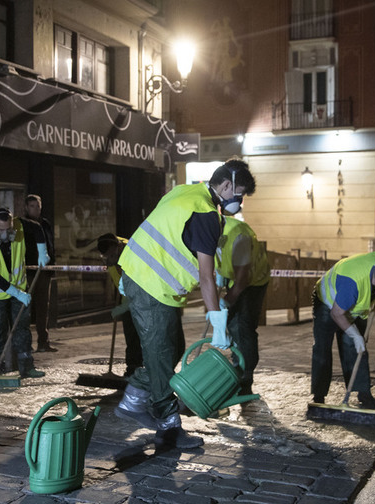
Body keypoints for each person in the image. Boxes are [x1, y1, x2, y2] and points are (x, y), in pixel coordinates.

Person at [115, 159, 256, 448]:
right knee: (163, 355)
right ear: (226, 186)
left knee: (172, 350)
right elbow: (206, 277)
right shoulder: (206, 214)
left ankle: (133, 400)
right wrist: (218, 324)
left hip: (142, 278)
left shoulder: (183, 193)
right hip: (152, 287)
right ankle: (168, 428)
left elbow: (157, 227)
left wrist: (128, 273)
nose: (239, 202)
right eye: (239, 194)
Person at [311, 252, 375, 410]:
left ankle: (363, 393)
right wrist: (355, 335)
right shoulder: (351, 284)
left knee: (357, 348)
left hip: (355, 309)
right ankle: (318, 396)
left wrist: (357, 337)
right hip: (328, 304)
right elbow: (336, 313)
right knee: (322, 347)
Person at [0, 207, 45, 380]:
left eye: (8, 229)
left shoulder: (20, 226)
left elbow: (38, 228)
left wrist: (42, 251)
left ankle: (26, 367)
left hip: (20, 287)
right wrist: (17, 294)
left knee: (21, 326)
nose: (5, 234)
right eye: (0, 230)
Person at [215, 215, 269, 396]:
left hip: (254, 281)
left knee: (242, 326)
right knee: (233, 324)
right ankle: (238, 366)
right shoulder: (210, 230)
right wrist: (220, 271)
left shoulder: (239, 236)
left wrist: (225, 301)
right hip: (235, 277)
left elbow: (242, 281)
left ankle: (245, 376)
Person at [96, 233, 143, 376]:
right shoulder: (111, 257)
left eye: (109, 256)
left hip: (145, 299)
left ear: (117, 249)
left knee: (145, 337)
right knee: (131, 336)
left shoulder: (134, 252)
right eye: (104, 257)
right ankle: (133, 369)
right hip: (127, 299)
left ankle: (147, 371)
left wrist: (124, 305)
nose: (107, 261)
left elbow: (139, 285)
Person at [19, 193, 56, 353]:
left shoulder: (45, 224)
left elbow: (50, 245)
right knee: (25, 307)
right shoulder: (22, 224)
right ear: (27, 207)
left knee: (43, 308)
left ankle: (43, 342)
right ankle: (25, 344)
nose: (36, 209)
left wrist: (51, 267)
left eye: (38, 206)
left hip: (45, 272)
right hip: (29, 270)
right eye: (33, 206)